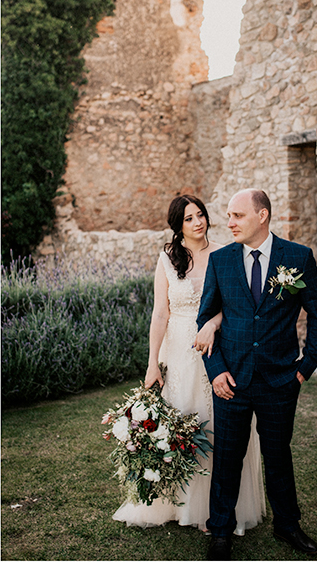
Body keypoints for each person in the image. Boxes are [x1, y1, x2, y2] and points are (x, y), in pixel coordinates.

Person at [113, 195, 265, 534]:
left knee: (218, 425)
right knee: (180, 420)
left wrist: (212, 323)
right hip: (178, 350)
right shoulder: (168, 258)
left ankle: (218, 510)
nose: (197, 222)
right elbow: (160, 313)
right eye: (188, 219)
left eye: (200, 215)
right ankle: (177, 504)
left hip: (218, 349)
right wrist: (153, 363)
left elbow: (239, 304)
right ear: (178, 226)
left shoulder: (227, 253)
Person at [197, 189, 317, 560]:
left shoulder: (297, 257)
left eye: (238, 215)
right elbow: (206, 319)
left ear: (263, 215)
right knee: (226, 459)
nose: (230, 222)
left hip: (280, 381)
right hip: (231, 381)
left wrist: (304, 369)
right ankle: (220, 530)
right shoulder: (221, 261)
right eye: (229, 215)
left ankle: (288, 526)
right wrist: (216, 371)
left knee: (278, 456)